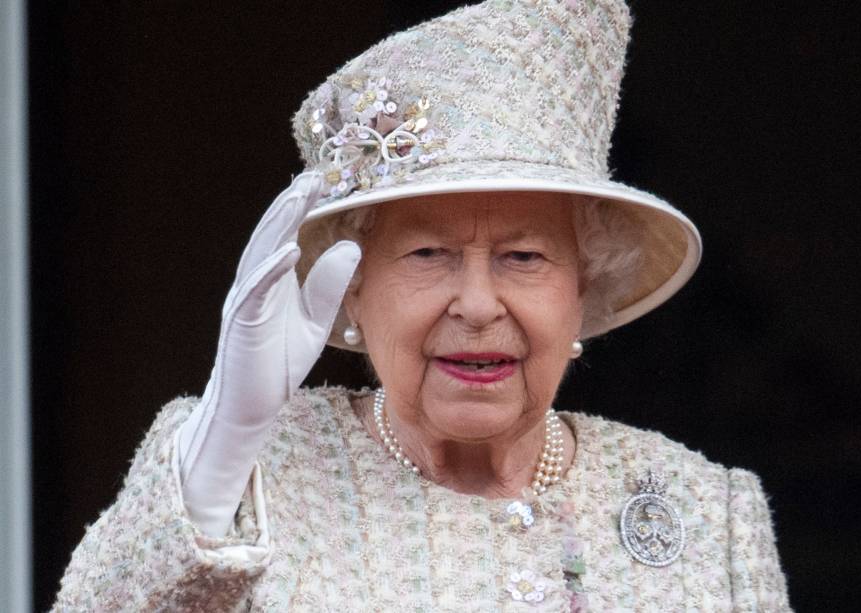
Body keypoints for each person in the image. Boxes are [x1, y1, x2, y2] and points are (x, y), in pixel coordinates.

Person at [53, 0, 791, 610]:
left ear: (584, 288)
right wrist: (222, 447)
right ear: (353, 287)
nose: (476, 303)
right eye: (428, 254)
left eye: (523, 256)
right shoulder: (243, 470)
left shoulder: (708, 511)